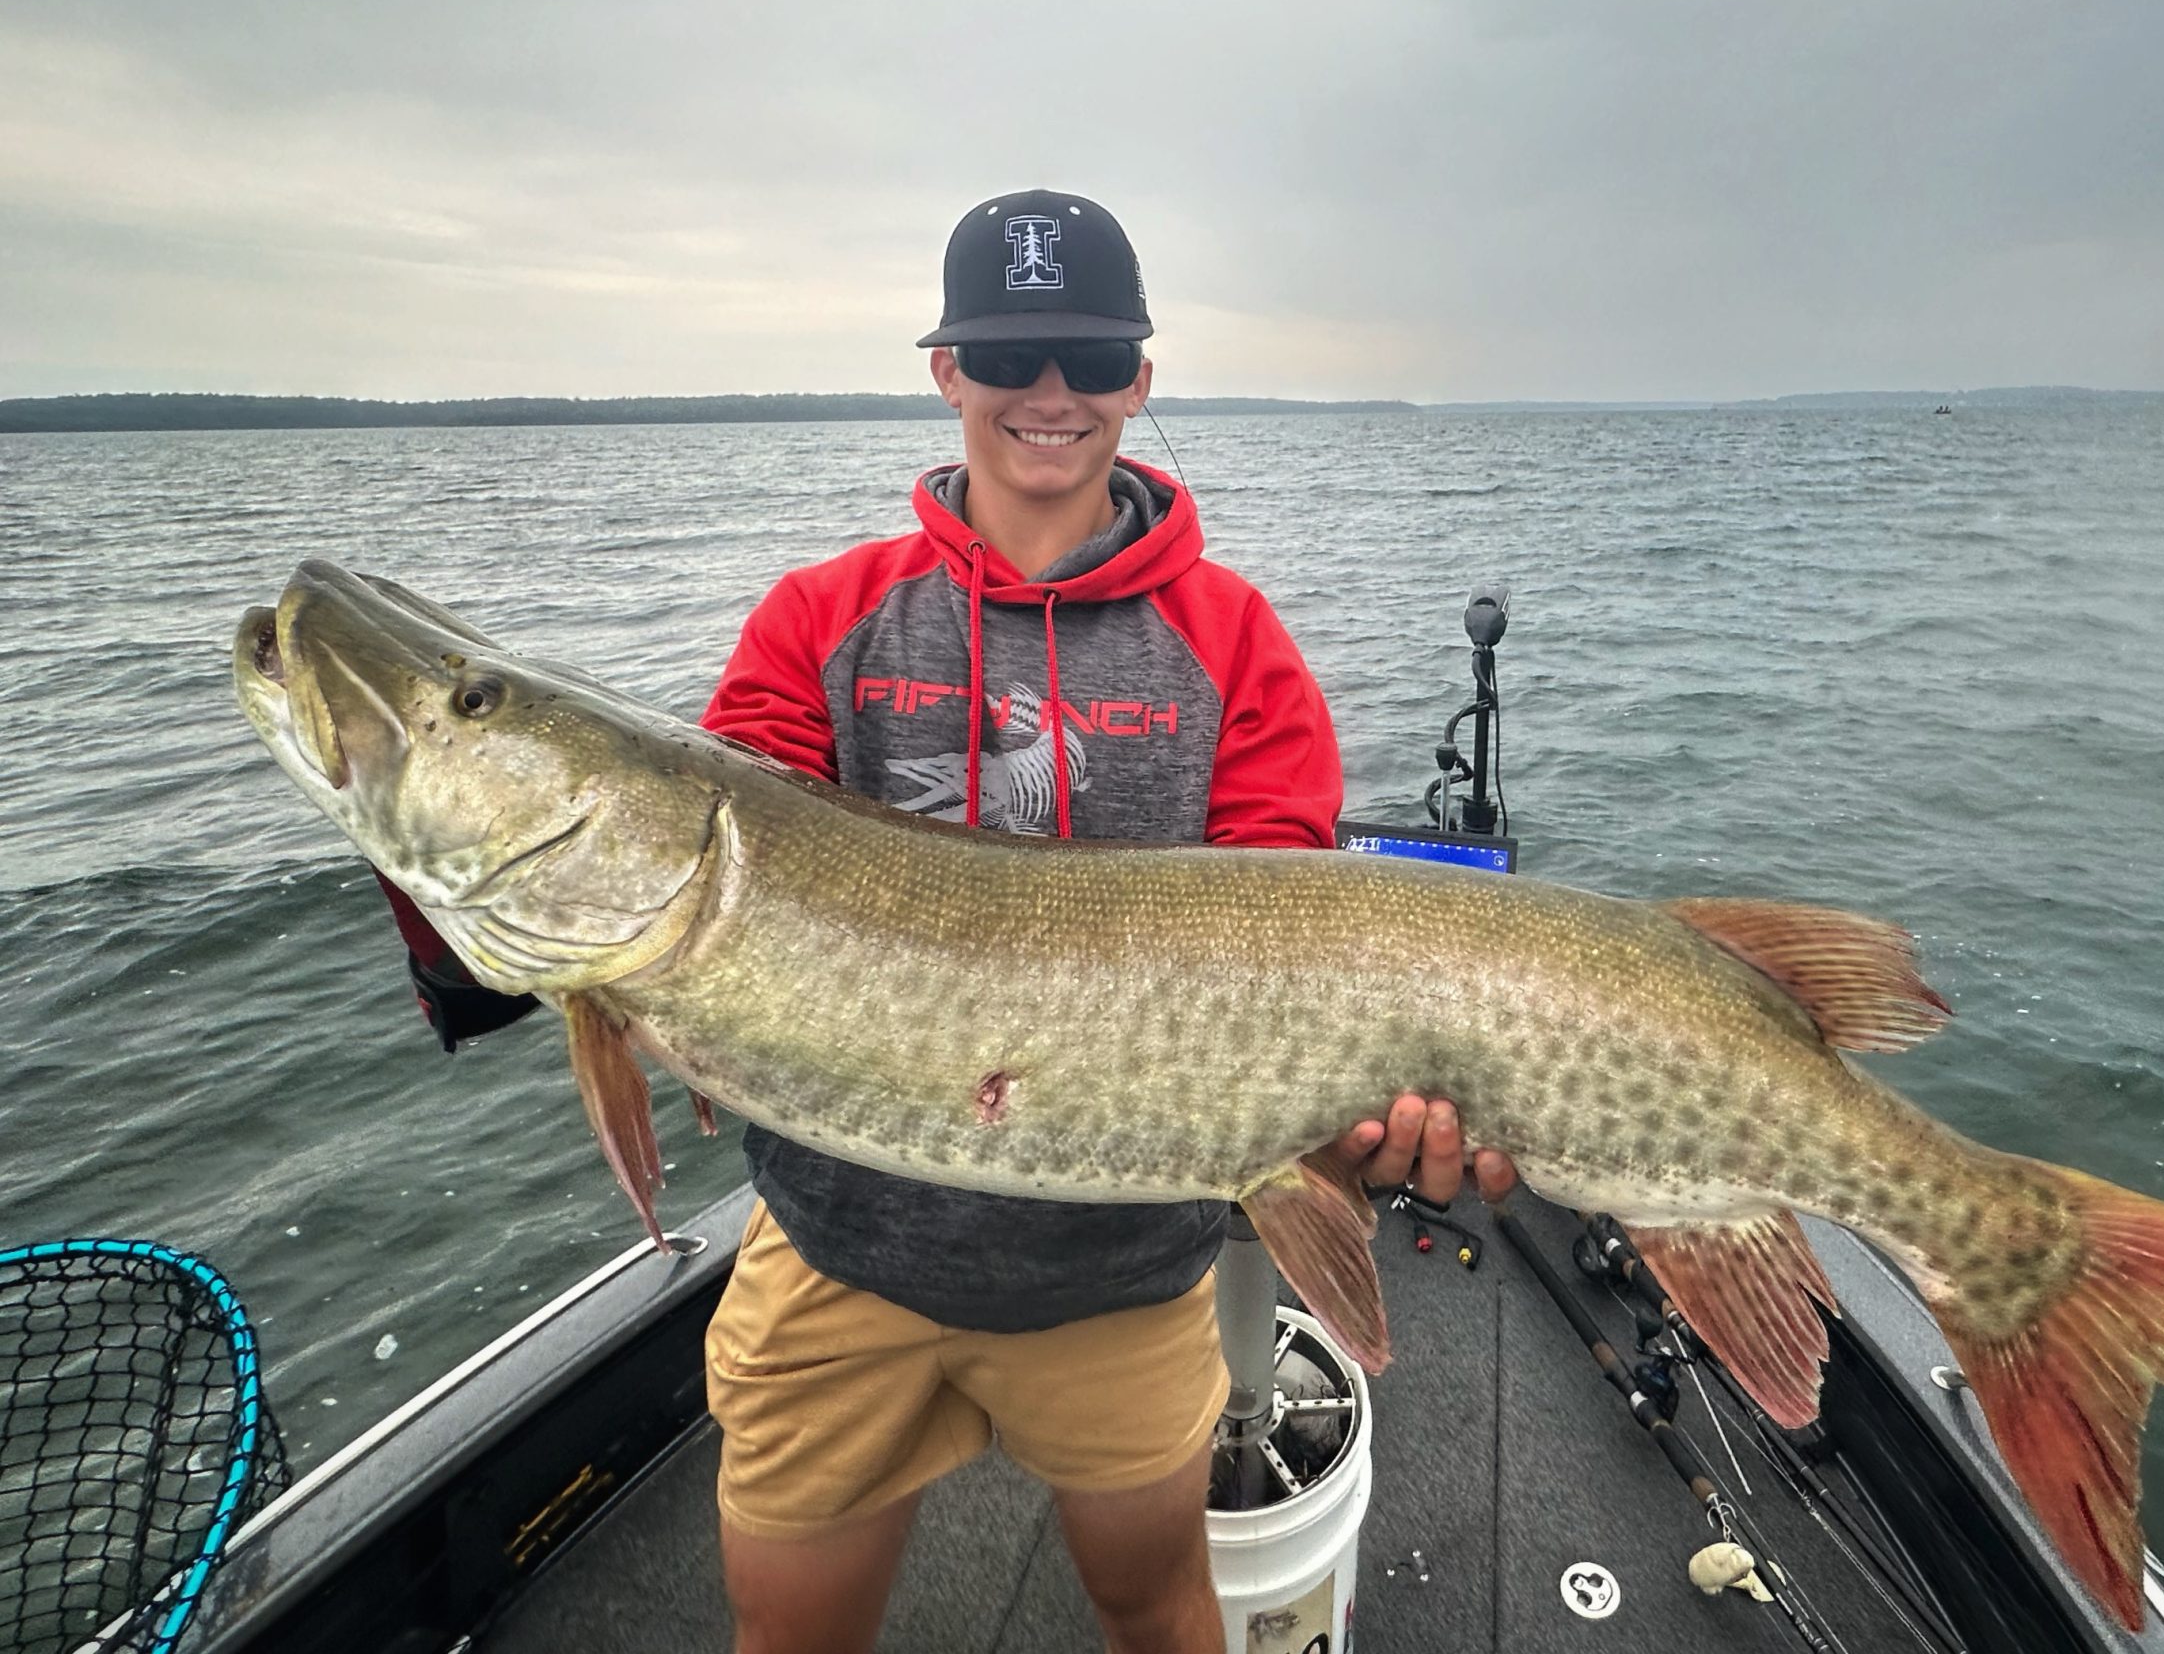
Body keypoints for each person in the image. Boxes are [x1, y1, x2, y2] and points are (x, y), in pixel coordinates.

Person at [382, 188, 1513, 1654]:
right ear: (945, 370)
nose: (1051, 396)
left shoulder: (1238, 647)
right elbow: (682, 890)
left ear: (1143, 381)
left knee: (1160, 1610)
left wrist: (1369, 1125)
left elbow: (1283, 953)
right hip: (839, 1255)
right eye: (1007, 354)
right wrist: (446, 844)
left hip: (1119, 1280)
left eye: (1093, 358)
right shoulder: (821, 619)